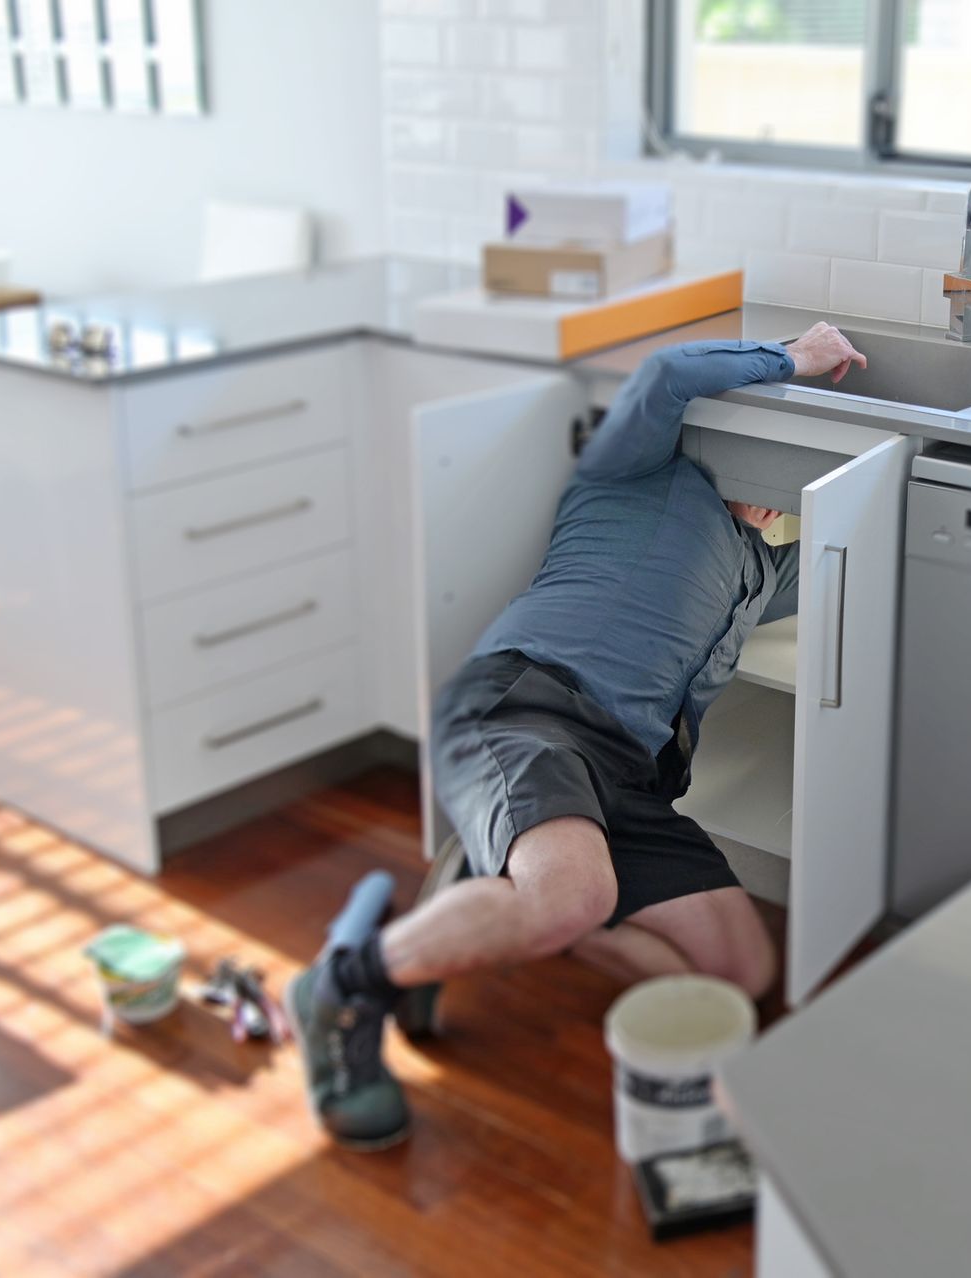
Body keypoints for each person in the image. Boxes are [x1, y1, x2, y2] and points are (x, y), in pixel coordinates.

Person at [287, 323, 870, 1150]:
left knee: (741, 977)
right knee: (574, 898)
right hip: (527, 710)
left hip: (629, 779)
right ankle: (343, 983)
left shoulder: (762, 571)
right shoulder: (634, 473)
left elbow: (861, 544)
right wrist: (796, 357)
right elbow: (669, 372)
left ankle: (469, 926)